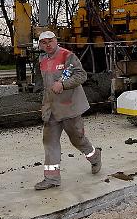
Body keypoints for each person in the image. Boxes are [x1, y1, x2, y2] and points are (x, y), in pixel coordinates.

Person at [34, 31, 102, 190]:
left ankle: (94, 156)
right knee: (49, 142)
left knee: (77, 139)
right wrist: (44, 105)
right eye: (44, 43)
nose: (48, 45)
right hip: (52, 109)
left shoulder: (67, 56)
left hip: (69, 107)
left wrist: (63, 85)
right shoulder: (42, 60)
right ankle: (51, 179)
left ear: (56, 41)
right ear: (40, 45)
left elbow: (81, 76)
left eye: (50, 41)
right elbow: (46, 87)